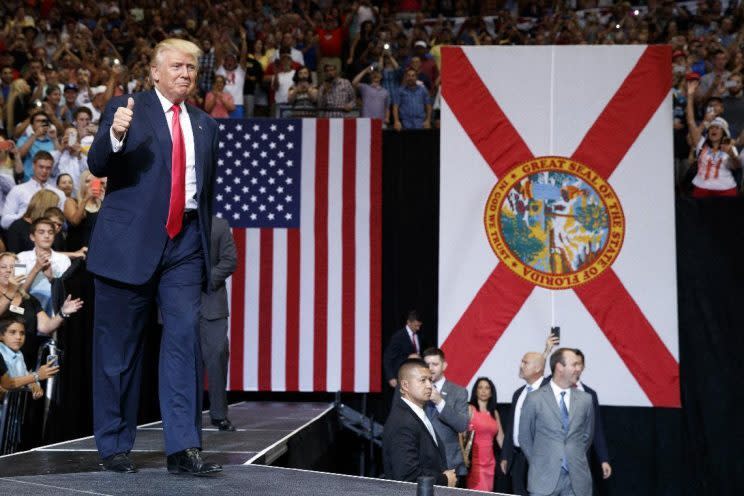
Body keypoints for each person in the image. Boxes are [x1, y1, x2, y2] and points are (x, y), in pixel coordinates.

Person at [87, 38, 220, 476]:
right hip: (127, 249)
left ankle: (183, 448)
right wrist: (116, 134)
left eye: (192, 69)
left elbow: (206, 190)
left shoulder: (204, 124)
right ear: (156, 72)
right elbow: (99, 162)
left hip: (183, 247)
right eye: (178, 67)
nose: (186, 74)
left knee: (183, 340)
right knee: (118, 352)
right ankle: (113, 445)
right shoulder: (127, 109)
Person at [519, 348, 594, 496]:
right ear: (559, 367)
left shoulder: (586, 399)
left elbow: (586, 436)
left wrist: (572, 455)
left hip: (577, 481)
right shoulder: (534, 399)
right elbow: (525, 438)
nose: (578, 369)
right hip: (543, 479)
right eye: (574, 364)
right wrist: (540, 462)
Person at [0, 252, 83, 368]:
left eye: (13, 267)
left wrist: (62, 313)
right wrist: (10, 292)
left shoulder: (29, 299)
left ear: (19, 270)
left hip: (25, 363)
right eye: (3, 267)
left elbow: (45, 327)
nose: (8, 270)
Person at [383, 358, 457, 487]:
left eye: (430, 380)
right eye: (423, 380)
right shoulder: (403, 422)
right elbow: (407, 476)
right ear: (405, 386)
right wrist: (444, 480)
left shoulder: (414, 414)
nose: (429, 385)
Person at [200, 216, 237, 431]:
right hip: (180, 304)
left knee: (217, 356)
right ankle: (186, 417)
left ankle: (219, 414)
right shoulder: (173, 223)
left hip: (212, 302)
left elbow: (229, 260)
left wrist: (206, 279)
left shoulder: (219, 225)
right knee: (185, 364)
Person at [500, 352, 550, 496]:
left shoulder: (550, 391)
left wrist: (546, 350)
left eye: (525, 362)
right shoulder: (518, 394)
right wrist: (505, 455)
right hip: (517, 459)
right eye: (522, 362)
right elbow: (511, 428)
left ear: (537, 368)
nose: (521, 366)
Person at [421, 347, 469, 486]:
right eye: (426, 364)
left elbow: (462, 425)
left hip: (449, 463)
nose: (430, 368)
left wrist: (439, 401)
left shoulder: (458, 392)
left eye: (435, 364)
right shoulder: (417, 389)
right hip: (422, 463)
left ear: (444, 365)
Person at [686, 79, 739, 197]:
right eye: (711, 128)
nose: (714, 130)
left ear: (724, 133)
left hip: (726, 191)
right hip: (701, 190)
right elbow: (690, 122)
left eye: (718, 128)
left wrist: (731, 154)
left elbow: (736, 166)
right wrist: (690, 95)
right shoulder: (701, 143)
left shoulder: (729, 146)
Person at [17, 218, 71, 314]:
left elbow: (66, 292)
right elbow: (18, 293)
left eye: (50, 233)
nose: (47, 236)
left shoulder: (63, 260)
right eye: (41, 232)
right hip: (27, 310)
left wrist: (51, 278)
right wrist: (36, 269)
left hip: (55, 309)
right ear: (32, 237)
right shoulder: (20, 258)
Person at [2, 151, 66, 230]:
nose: (44, 171)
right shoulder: (18, 190)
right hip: (23, 235)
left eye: (48, 168)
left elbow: (61, 223)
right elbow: (4, 222)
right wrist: (25, 216)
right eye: (41, 167)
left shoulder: (59, 194)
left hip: (50, 237)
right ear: (33, 166)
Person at [0, 315, 58, 400]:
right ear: (1, 336)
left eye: (22, 333)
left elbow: (26, 375)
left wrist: (34, 386)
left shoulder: (19, 354)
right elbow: (7, 384)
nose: (19, 337)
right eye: (12, 332)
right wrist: (37, 375)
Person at [466, 377, 505, 491]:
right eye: (480, 387)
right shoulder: (470, 409)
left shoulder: (495, 413)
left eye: (487, 388)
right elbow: (461, 434)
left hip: (490, 463)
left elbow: (501, 439)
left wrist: (510, 457)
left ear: (491, 392)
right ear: (475, 391)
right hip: (474, 463)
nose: (483, 391)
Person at [5, 189, 62, 254]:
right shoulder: (17, 227)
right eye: (55, 206)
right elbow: (14, 259)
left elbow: (58, 255)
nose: (57, 210)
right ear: (45, 208)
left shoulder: (53, 227)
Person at [383, 310, 423, 389]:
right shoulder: (398, 337)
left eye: (419, 326)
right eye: (416, 326)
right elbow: (388, 358)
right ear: (408, 322)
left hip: (415, 375)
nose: (418, 328)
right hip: (401, 375)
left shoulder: (419, 335)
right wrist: (391, 377)